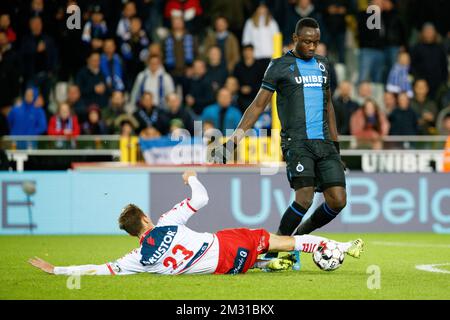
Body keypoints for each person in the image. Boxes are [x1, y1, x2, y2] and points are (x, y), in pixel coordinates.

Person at [29, 171, 364, 276]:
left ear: (133, 233)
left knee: (255, 255)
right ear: (144, 219)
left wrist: (56, 270)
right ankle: (329, 246)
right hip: (228, 245)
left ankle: (265, 265)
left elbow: (98, 270)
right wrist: (191, 177)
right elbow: (202, 198)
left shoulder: (137, 260)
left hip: (225, 269)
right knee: (278, 239)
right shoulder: (166, 222)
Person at [219, 18, 347, 244]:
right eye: (307, 41)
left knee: (338, 200)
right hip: (297, 143)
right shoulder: (279, 65)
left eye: (316, 42)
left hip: (325, 143)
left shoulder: (323, 64)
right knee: (304, 199)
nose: (312, 47)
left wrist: (336, 148)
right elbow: (258, 106)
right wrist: (233, 141)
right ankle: (275, 249)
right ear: (295, 39)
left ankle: (299, 236)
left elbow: (328, 106)